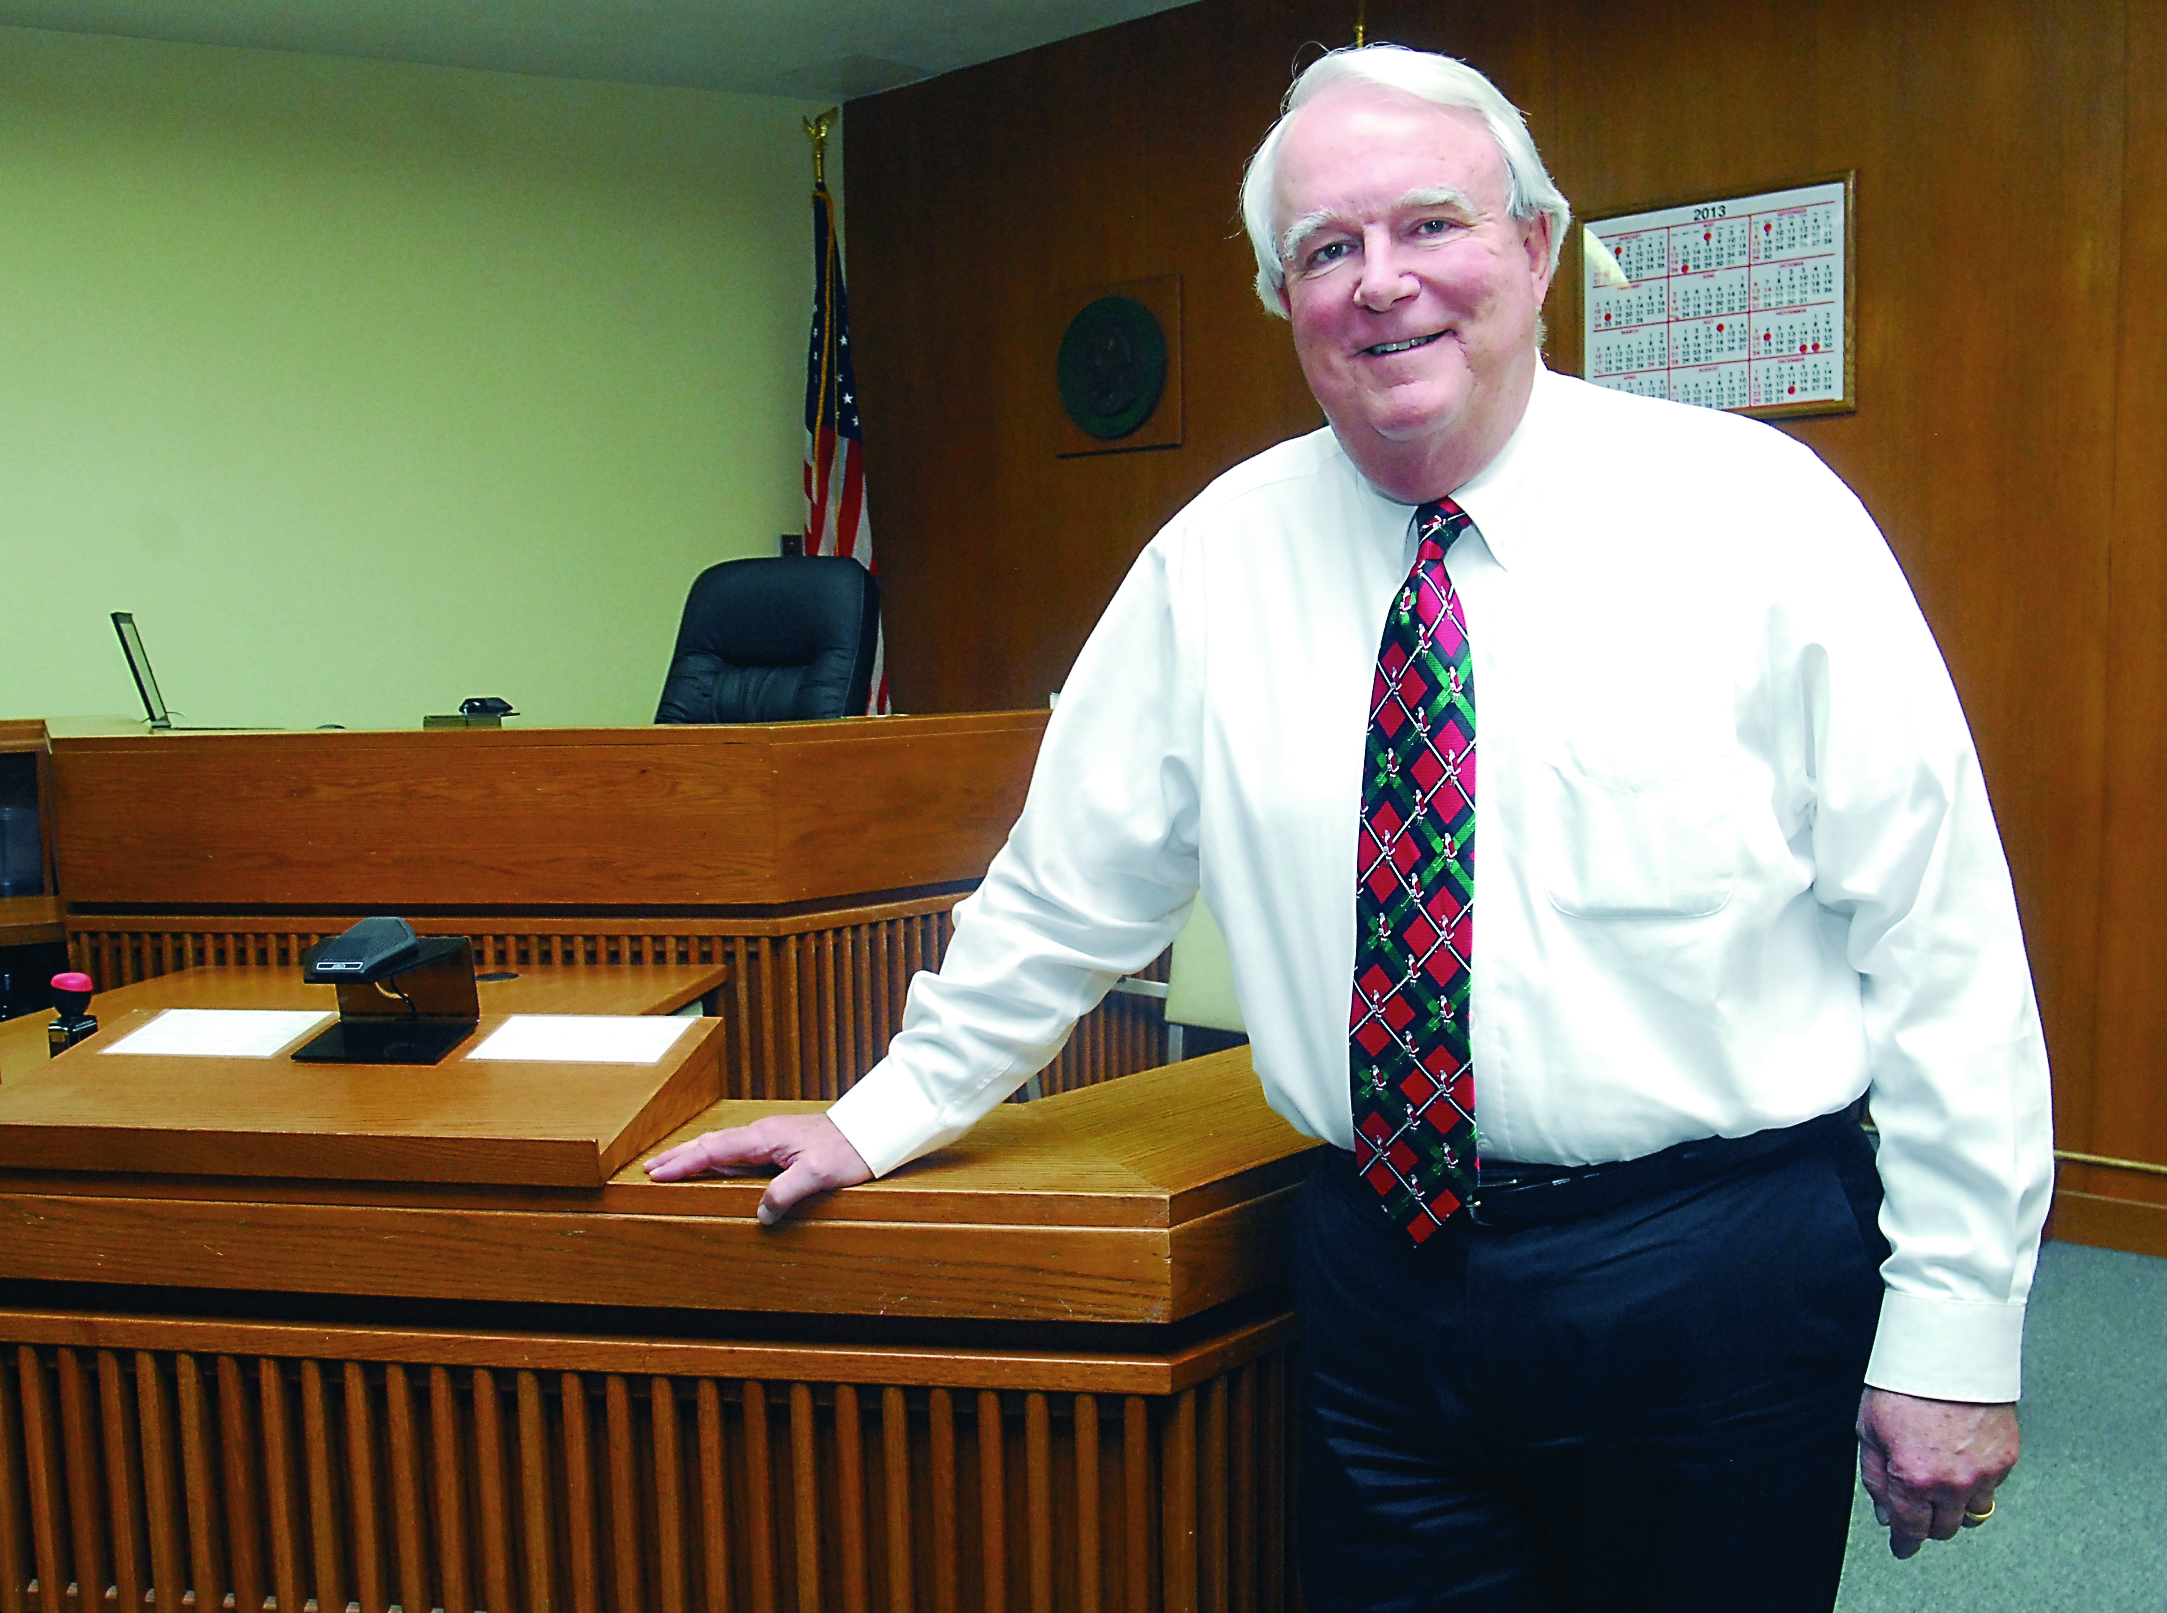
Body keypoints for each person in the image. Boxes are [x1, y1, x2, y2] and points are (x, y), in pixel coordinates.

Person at [648, 43, 2053, 1612]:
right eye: (1326, 249)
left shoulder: (1755, 515)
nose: (1381, 282)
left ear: (1534, 246)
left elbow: (1937, 938)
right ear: (1283, 299)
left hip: (1705, 1270)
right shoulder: (1212, 562)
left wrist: (1955, 1327)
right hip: (1379, 1277)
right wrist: (880, 1114)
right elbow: (1064, 894)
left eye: (1430, 224)